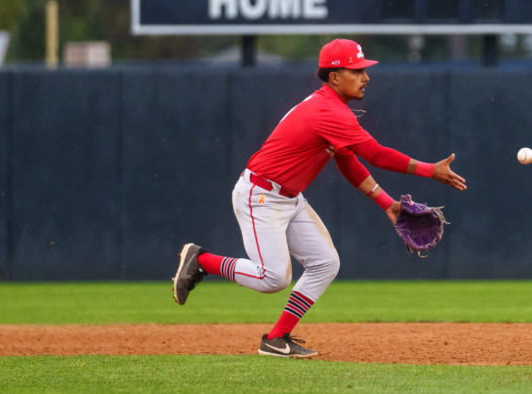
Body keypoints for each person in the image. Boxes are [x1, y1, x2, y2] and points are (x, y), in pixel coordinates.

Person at [171, 38, 467, 358]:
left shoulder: (332, 108)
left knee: (325, 263)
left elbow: (349, 162)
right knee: (273, 278)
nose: (366, 76)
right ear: (334, 77)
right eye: (356, 71)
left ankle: (277, 338)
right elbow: (375, 154)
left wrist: (387, 203)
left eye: (364, 70)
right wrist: (429, 170)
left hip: (289, 198)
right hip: (260, 196)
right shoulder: (327, 110)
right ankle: (201, 261)